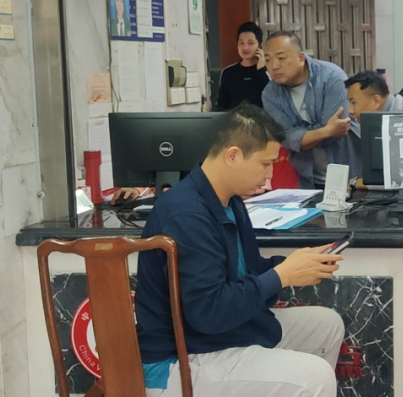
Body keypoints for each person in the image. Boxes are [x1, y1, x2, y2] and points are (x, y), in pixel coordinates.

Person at [135, 104, 345, 397]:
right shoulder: (187, 215)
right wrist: (281, 276)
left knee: (327, 326)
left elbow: (245, 271)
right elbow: (208, 312)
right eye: (265, 164)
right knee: (315, 377)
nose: (269, 175)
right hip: (181, 357)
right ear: (232, 155)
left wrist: (295, 266)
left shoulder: (230, 201)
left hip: (216, 336)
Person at [262, 31, 359, 189]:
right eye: (268, 59)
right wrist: (325, 131)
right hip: (308, 180)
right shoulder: (270, 94)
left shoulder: (332, 77)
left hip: (350, 176)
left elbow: (338, 130)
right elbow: (286, 138)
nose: (274, 66)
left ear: (301, 58)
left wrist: (301, 135)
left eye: (281, 58)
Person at [216, 22, 270, 110]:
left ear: (260, 45)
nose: (245, 47)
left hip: (263, 118)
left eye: (250, 43)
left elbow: (273, 98)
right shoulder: (229, 73)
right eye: (241, 43)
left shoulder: (269, 71)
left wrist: (262, 70)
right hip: (236, 118)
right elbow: (222, 106)